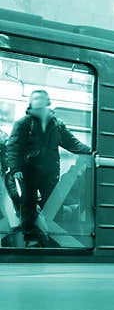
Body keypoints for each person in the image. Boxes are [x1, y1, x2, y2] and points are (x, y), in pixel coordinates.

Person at [7, 89, 92, 246]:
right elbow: (13, 148)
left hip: (50, 173)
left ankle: (51, 238)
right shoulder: (23, 124)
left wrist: (91, 151)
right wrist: (15, 169)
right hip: (29, 172)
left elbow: (72, 143)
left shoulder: (57, 125)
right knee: (28, 205)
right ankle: (31, 239)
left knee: (53, 205)